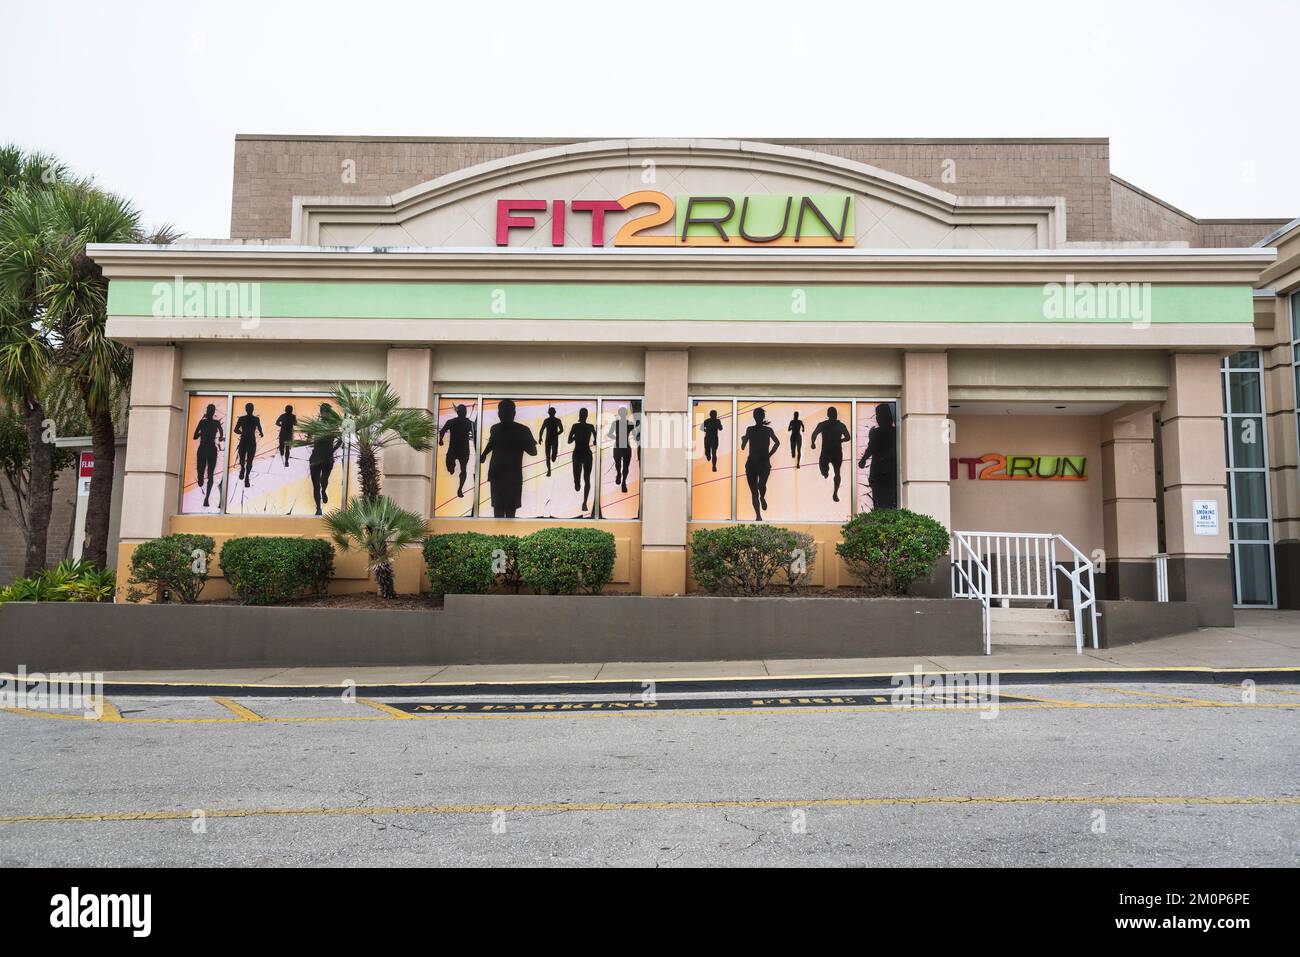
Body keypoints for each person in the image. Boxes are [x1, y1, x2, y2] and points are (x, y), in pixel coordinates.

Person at [480, 399, 538, 518]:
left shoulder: (495, 428)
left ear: (499, 414)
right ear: (514, 413)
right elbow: (533, 452)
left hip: (498, 475)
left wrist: (484, 454)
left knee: (499, 510)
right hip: (512, 476)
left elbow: (491, 444)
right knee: (510, 511)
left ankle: (499, 535)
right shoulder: (523, 430)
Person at [740, 407, 780, 521]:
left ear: (760, 417)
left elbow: (777, 443)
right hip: (753, 463)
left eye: (758, 415)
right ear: (755, 417)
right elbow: (743, 447)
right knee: (754, 491)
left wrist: (769, 455)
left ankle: (762, 497)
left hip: (762, 463)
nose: (757, 417)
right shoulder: (750, 430)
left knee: (760, 486)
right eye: (756, 415)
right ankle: (758, 515)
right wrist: (743, 440)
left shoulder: (767, 430)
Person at [858, 403, 899, 510]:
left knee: (879, 502)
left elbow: (871, 448)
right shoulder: (896, 432)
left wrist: (863, 461)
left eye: (878, 415)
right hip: (892, 472)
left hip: (879, 473)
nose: (877, 418)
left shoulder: (876, 433)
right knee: (891, 501)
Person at [810, 406, 851, 502]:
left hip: (829, 452)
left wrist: (813, 443)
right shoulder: (839, 425)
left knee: (834, 471)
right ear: (834, 415)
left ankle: (834, 491)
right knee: (835, 472)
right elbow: (848, 437)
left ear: (828, 415)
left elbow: (814, 434)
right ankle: (827, 475)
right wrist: (841, 440)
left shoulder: (825, 425)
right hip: (834, 451)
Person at [309, 402, 342, 516]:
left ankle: (323, 490)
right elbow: (309, 438)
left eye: (325, 411)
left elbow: (341, 440)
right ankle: (318, 508)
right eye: (322, 411)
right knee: (315, 485)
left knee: (324, 480)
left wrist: (332, 450)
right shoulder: (315, 425)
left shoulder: (333, 426)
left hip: (327, 457)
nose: (322, 413)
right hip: (316, 457)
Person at [438, 403, 476, 498]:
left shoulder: (453, 422)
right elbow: (442, 431)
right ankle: (453, 472)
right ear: (464, 412)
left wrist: (441, 439)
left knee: (460, 468)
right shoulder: (469, 423)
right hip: (462, 450)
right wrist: (440, 439)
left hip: (457, 449)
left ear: (458, 412)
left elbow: (442, 431)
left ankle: (459, 489)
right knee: (462, 469)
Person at [192, 403, 224, 508]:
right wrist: (220, 437)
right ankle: (205, 497)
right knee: (207, 473)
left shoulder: (204, 422)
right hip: (209, 449)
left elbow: (195, 436)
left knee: (207, 473)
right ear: (213, 412)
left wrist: (202, 434)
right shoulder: (214, 423)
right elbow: (221, 433)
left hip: (205, 448)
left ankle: (206, 499)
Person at [567, 407, 598, 514]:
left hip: (580, 452)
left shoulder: (578, 426)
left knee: (585, 479)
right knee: (584, 479)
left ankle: (584, 502)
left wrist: (576, 437)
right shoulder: (587, 426)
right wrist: (594, 441)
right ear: (585, 415)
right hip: (584, 453)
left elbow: (569, 440)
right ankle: (579, 487)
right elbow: (569, 440)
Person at [606, 405, 637, 493]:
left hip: (618, 446)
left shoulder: (616, 423)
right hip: (626, 446)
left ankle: (619, 475)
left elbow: (609, 434)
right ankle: (623, 482)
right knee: (625, 466)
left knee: (619, 464)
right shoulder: (629, 423)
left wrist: (617, 437)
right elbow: (635, 436)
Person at [233, 402, 263, 488]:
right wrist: (261, 433)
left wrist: (242, 432)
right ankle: (245, 475)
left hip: (244, 440)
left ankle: (244, 473)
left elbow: (236, 430)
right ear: (252, 409)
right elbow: (259, 427)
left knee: (243, 459)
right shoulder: (256, 419)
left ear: (246, 409)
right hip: (251, 441)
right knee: (248, 460)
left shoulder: (242, 419)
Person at [537, 407, 564, 477]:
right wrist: (540, 437)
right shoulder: (554, 420)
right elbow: (542, 429)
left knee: (550, 456)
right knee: (548, 456)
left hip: (551, 439)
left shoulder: (551, 420)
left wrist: (540, 437)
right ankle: (549, 470)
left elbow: (561, 430)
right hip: (551, 439)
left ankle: (549, 468)